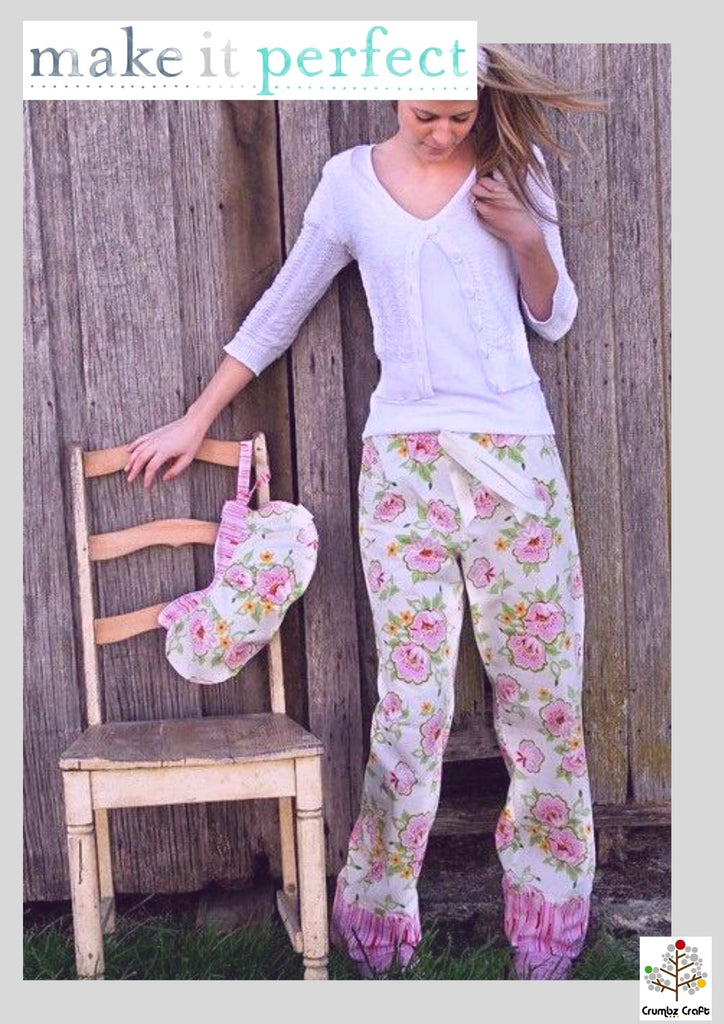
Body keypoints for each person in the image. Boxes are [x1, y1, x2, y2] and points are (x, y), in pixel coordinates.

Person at [124, 45, 606, 980]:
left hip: (517, 464)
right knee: (410, 711)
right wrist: (196, 416)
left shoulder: (517, 168)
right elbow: (281, 308)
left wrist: (526, 238)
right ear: (393, 88)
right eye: (426, 115)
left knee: (544, 700)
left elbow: (554, 316)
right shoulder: (349, 184)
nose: (443, 132)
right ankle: (379, 923)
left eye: (460, 116)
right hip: (402, 471)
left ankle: (549, 918)